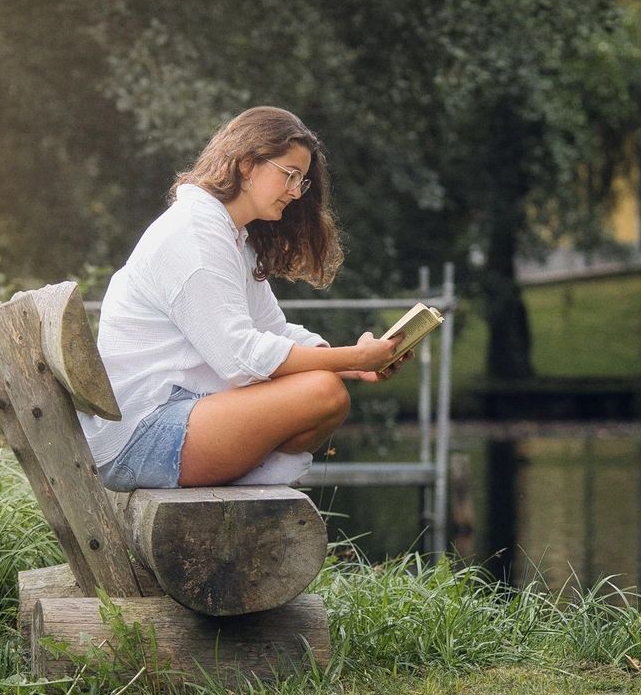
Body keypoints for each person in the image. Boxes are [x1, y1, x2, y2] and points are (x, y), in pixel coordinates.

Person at [79, 106, 408, 492]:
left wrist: (354, 363)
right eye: (290, 175)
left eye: (301, 181)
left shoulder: (231, 236)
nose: (295, 192)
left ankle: (247, 479)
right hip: (138, 439)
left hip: (174, 419)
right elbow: (239, 358)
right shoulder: (195, 234)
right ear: (247, 164)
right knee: (323, 393)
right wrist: (348, 359)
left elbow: (274, 329)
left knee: (326, 393)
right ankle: (253, 479)